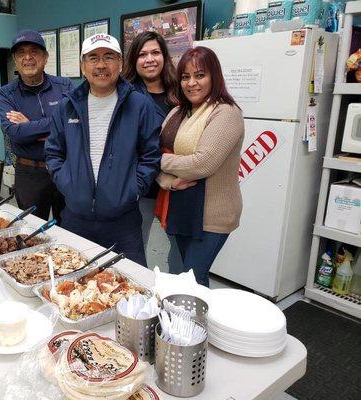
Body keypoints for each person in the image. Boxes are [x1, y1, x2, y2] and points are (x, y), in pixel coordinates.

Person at [45, 34, 161, 266]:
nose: (100, 65)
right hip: (75, 220)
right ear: (82, 65)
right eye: (93, 58)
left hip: (123, 223)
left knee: (131, 289)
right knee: (73, 288)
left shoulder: (139, 105)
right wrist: (68, 184)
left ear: (120, 63)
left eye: (109, 57)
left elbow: (151, 156)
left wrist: (133, 189)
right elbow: (53, 153)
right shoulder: (67, 106)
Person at [155, 46, 244, 287]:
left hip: (211, 216)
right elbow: (158, 152)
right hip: (181, 209)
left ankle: (197, 324)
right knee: (184, 275)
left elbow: (202, 164)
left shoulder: (226, 113)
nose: (191, 83)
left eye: (200, 75)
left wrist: (158, 161)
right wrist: (168, 181)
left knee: (193, 279)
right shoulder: (177, 112)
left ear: (214, 77)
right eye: (185, 77)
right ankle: (185, 321)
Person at [0, 30, 72, 223]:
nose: (28, 57)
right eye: (21, 52)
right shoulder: (6, 94)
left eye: (34, 51)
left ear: (45, 57)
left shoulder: (64, 86)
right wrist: (57, 124)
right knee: (30, 229)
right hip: (29, 173)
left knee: (70, 228)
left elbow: (75, 125)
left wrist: (30, 126)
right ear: (15, 60)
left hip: (66, 168)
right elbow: (15, 134)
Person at [122, 31, 179, 259]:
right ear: (134, 60)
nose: (150, 59)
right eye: (142, 54)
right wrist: (159, 175)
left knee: (178, 251)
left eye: (155, 52)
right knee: (135, 249)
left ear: (164, 56)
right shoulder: (126, 95)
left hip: (177, 185)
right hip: (143, 187)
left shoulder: (181, 91)